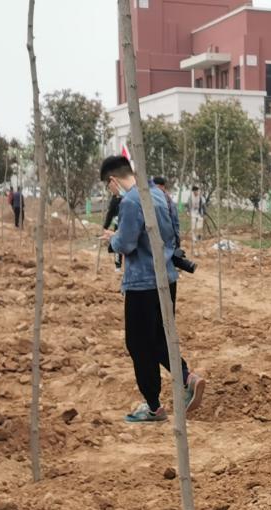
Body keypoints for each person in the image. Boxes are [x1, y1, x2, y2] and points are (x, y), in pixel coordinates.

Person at [98, 155, 205, 423]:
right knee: (160, 337)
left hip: (142, 283)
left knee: (138, 344)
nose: (112, 192)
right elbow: (175, 234)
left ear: (113, 180)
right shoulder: (161, 195)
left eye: (108, 187)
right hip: (167, 278)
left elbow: (127, 244)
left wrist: (113, 239)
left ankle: (154, 406)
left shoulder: (131, 201)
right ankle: (187, 378)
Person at [153, 176, 181, 248]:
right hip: (165, 235)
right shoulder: (167, 199)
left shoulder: (167, 200)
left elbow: (174, 219)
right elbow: (175, 221)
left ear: (161, 186)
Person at [102, 188, 123, 271]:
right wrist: (105, 226)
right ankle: (118, 265)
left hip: (127, 223)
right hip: (118, 224)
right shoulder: (114, 199)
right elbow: (110, 213)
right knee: (118, 243)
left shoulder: (127, 196)